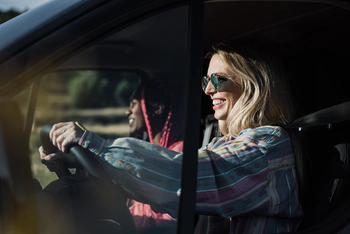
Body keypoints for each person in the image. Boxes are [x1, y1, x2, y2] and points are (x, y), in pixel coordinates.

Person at [39, 38, 306, 233]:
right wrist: (83, 166)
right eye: (205, 81)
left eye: (217, 80)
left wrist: (95, 146)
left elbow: (185, 178)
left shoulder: (268, 146)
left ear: (252, 83)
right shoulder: (229, 144)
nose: (207, 91)